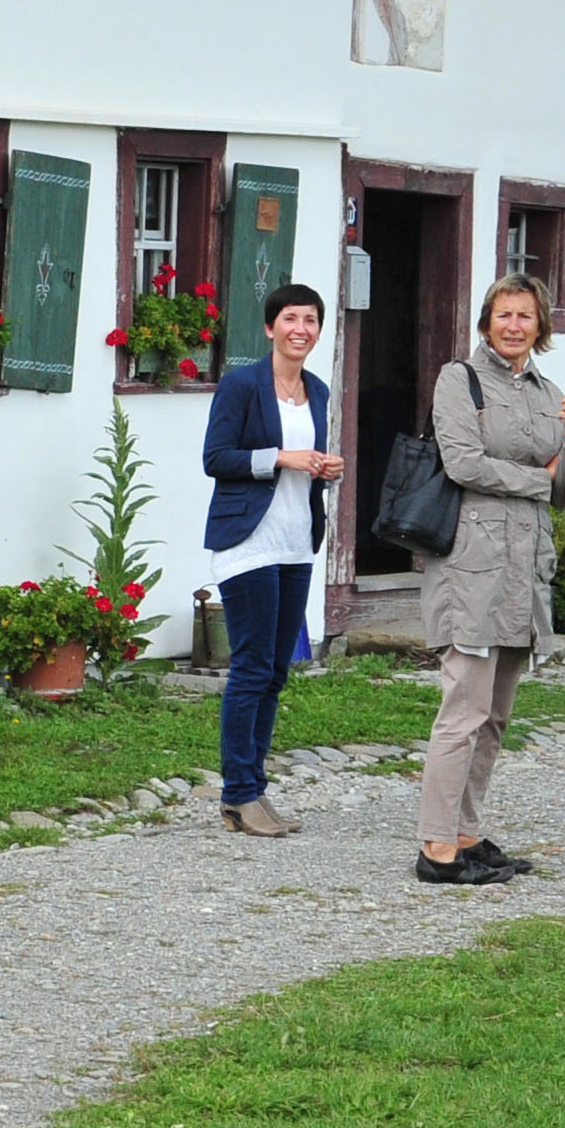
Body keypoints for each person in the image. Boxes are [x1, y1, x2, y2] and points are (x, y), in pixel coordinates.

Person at [418, 272, 565, 886]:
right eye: (504, 314)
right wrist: (538, 478)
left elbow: (564, 493)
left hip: (525, 571)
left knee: (495, 717)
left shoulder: (550, 393)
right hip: (473, 567)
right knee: (463, 711)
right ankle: (436, 847)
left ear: (541, 326)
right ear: (487, 322)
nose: (514, 326)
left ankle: (465, 833)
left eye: (525, 316)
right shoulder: (458, 379)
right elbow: (463, 463)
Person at [196, 283, 348, 835]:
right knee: (253, 667)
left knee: (277, 671)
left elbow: (306, 465)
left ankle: (253, 789)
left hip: (295, 542)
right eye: (290, 318)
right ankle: (239, 793)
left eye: (310, 320)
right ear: (270, 327)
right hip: (249, 542)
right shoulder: (241, 385)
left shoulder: (318, 390)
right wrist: (282, 457)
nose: (300, 329)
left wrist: (325, 469)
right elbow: (216, 458)